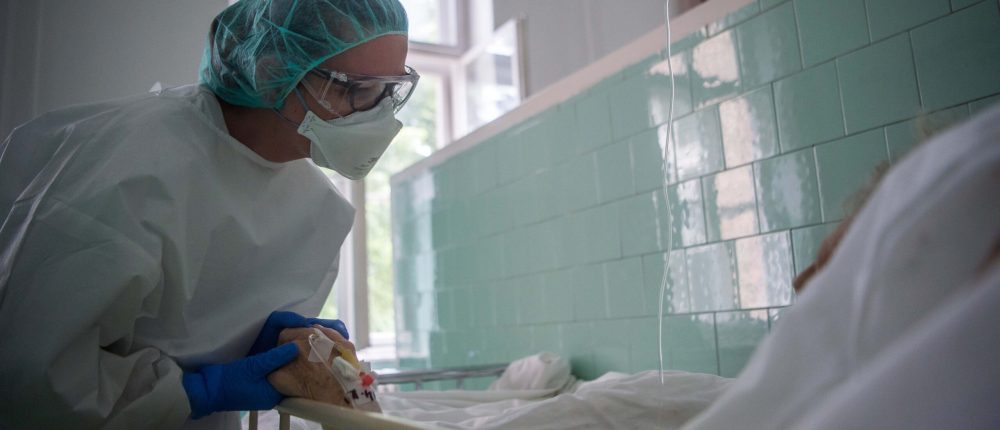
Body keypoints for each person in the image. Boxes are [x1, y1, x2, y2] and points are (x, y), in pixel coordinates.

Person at [0, 0, 417, 428]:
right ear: (272, 72)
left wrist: (255, 348)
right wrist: (199, 390)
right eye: (357, 90)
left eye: (392, 91)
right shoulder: (125, 163)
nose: (381, 115)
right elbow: (31, 376)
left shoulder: (319, 208)